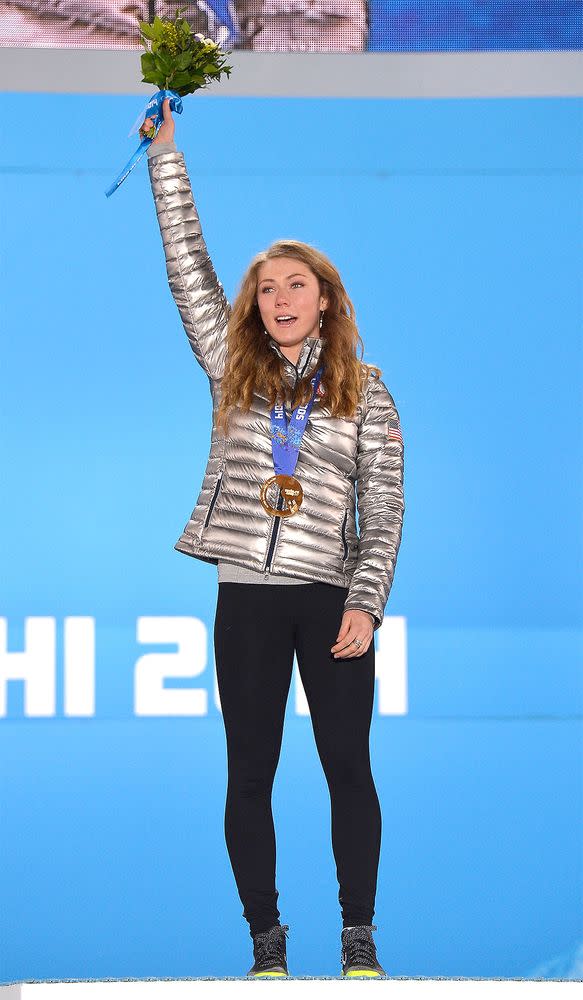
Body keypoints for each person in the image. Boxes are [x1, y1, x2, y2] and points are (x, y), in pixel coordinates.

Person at [143, 98, 405, 978]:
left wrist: (366, 602)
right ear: (252, 307)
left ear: (325, 300)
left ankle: (358, 935)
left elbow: (386, 505)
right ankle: (265, 944)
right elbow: (188, 267)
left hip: (332, 601)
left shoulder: (365, 390)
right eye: (266, 287)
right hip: (246, 599)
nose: (279, 297)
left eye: (296, 284)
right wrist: (165, 159)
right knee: (247, 772)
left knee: (347, 770)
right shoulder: (230, 368)